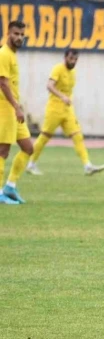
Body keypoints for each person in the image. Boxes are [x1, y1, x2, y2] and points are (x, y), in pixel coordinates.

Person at [23, 50, 104, 177]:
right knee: (44, 137)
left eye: (75, 59)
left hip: (67, 110)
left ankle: (87, 165)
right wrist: (62, 97)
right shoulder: (58, 69)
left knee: (77, 135)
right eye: (71, 58)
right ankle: (31, 164)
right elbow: (49, 86)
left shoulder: (73, 72)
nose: (73, 61)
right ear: (65, 57)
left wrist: (67, 100)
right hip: (54, 109)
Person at [0, 20, 33, 205]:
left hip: (13, 109)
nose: (19, 37)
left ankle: (10, 186)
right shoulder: (4, 53)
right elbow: (3, 83)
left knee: (28, 148)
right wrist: (16, 107)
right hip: (5, 108)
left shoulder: (12, 54)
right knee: (2, 150)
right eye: (16, 34)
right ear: (8, 33)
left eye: (22, 34)